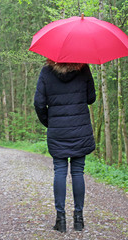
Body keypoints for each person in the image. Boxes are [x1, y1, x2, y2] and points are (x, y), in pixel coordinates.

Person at [34, 59, 96, 233]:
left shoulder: (46, 72)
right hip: (80, 129)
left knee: (59, 171)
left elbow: (38, 103)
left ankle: (60, 220)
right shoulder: (83, 68)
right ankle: (79, 219)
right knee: (78, 172)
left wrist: (50, 122)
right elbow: (91, 98)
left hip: (58, 131)